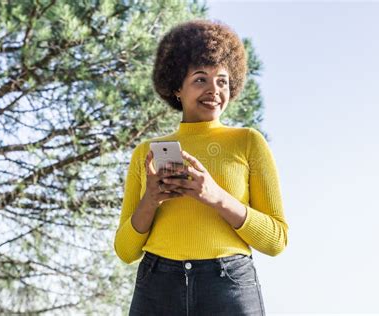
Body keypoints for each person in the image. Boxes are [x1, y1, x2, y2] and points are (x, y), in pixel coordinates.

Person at [114, 19, 289, 316]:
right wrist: (151, 200)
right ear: (177, 88)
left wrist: (215, 196)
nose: (214, 90)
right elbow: (126, 251)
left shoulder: (248, 142)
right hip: (158, 285)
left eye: (222, 80)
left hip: (228, 285)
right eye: (200, 79)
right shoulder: (146, 153)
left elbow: (276, 240)